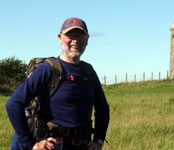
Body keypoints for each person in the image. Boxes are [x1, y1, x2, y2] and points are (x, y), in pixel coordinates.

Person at [6, 17, 110, 150]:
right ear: (60, 38)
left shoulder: (88, 71)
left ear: (87, 39)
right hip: (54, 146)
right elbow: (13, 103)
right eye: (70, 36)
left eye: (80, 35)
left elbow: (103, 108)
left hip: (83, 145)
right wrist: (31, 143)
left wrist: (99, 140)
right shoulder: (49, 69)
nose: (75, 40)